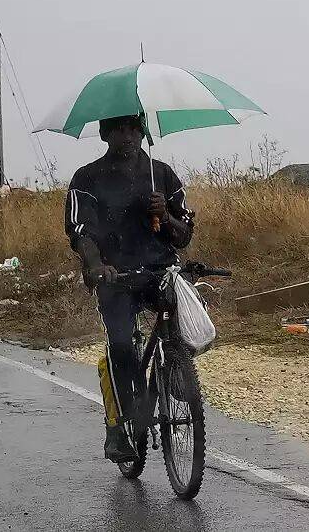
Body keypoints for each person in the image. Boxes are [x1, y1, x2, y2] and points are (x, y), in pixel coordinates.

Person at [64, 114, 194, 462]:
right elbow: (80, 233)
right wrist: (96, 266)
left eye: (134, 129)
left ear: (143, 132)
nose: (128, 136)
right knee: (121, 346)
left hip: (158, 271)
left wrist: (165, 216)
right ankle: (117, 427)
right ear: (105, 134)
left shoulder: (162, 174)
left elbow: (185, 234)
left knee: (183, 323)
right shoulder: (86, 178)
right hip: (115, 277)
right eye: (119, 129)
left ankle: (179, 373)